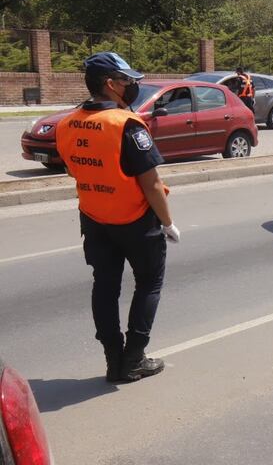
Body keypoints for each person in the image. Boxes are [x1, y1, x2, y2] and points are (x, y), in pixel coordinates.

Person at [55, 52, 180, 383]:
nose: (133, 86)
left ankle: (113, 359)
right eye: (128, 80)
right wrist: (167, 223)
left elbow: (73, 168)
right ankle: (133, 359)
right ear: (110, 84)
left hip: (95, 219)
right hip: (137, 221)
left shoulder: (67, 123)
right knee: (149, 283)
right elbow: (152, 184)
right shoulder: (125, 125)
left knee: (105, 287)